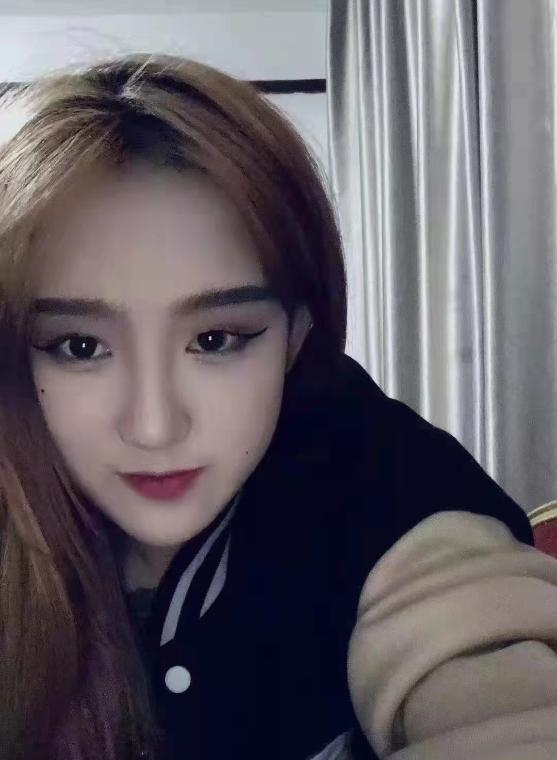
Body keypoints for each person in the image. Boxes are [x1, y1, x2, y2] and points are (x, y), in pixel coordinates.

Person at [1, 53, 557, 760]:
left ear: (296, 336)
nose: (153, 426)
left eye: (214, 340)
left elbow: (489, 672)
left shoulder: (378, 484)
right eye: (81, 347)